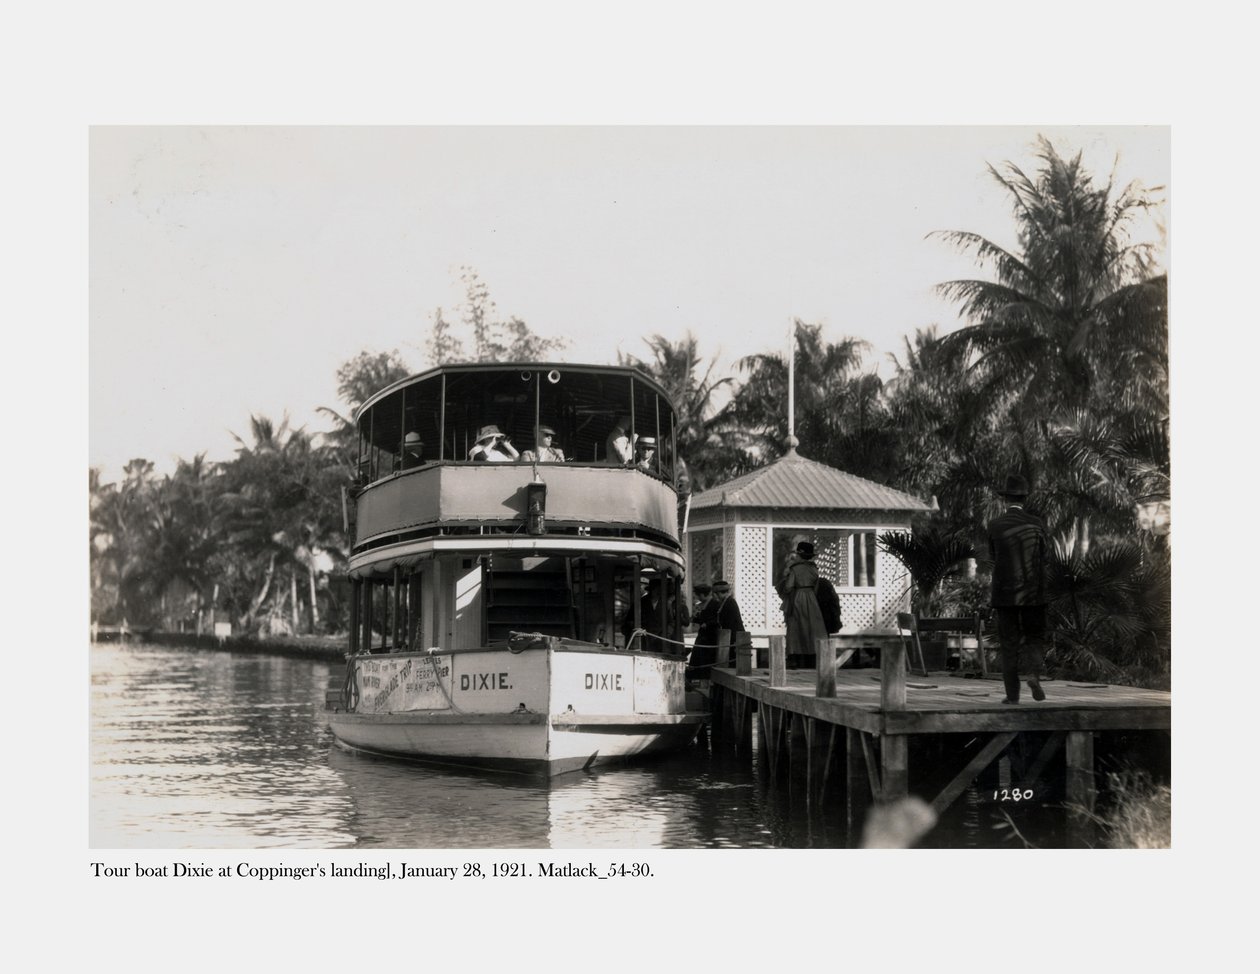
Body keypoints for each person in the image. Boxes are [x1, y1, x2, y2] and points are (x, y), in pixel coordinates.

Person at [986, 474, 1049, 704]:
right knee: (1034, 637)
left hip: (1004, 595)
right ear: (1024, 498)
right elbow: (1044, 556)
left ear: (1005, 499)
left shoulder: (994, 525)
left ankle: (1012, 696)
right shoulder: (1037, 523)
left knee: (1009, 644)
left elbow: (993, 557)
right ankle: (1033, 674)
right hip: (1033, 594)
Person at [777, 541, 828, 669]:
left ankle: (794, 657)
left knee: (796, 627)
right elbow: (816, 587)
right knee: (812, 627)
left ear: (799, 555)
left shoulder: (795, 568)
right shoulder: (814, 568)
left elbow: (788, 587)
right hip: (811, 598)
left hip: (798, 597)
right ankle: (812, 658)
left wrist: (786, 590)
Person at [711, 579, 745, 667]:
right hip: (729, 637)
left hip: (734, 637)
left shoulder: (730, 603)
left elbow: (729, 623)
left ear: (718, 593)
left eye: (716, 594)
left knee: (733, 663)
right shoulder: (725, 602)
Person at [688, 584, 719, 672]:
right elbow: (702, 619)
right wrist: (694, 619)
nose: (698, 598)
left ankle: (706, 676)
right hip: (703, 635)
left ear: (702, 594)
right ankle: (698, 676)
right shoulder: (702, 605)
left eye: (699, 596)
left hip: (711, 636)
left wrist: (707, 624)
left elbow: (718, 619)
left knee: (707, 657)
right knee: (698, 656)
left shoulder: (715, 604)